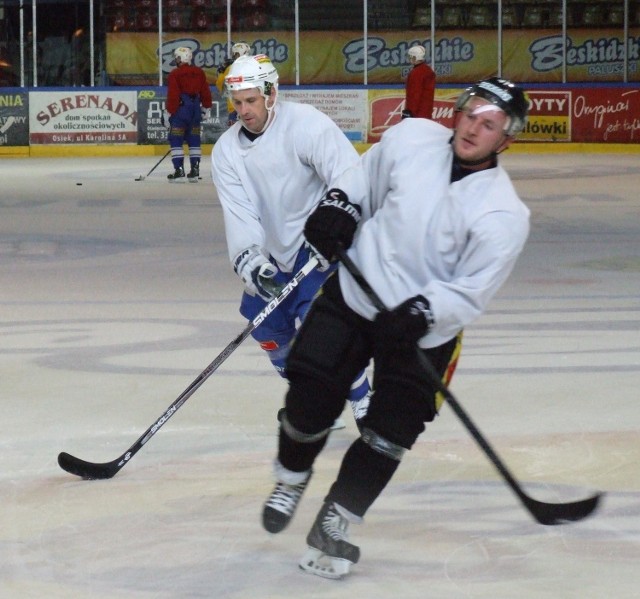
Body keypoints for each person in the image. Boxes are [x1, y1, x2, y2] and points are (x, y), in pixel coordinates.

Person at [261, 77, 531, 579]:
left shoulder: (503, 212)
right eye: (472, 113)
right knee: (308, 394)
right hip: (358, 293)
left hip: (422, 329)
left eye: (490, 123)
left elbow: (472, 290)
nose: (475, 126)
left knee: (390, 432)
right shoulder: (412, 139)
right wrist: (339, 207)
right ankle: (291, 475)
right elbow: (363, 182)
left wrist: (423, 313)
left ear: (506, 139)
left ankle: (337, 521)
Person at [210, 54, 372, 431]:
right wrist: (252, 262)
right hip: (272, 250)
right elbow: (240, 213)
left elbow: (347, 172)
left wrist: (335, 220)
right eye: (238, 103)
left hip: (317, 244)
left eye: (251, 101)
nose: (244, 110)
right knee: (267, 328)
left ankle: (363, 399)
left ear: (271, 94)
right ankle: (313, 399)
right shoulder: (226, 152)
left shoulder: (305, 124)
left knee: (320, 330)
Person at [164, 46, 213, 182]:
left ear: (180, 58)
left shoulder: (175, 74)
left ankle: (179, 171)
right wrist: (206, 108)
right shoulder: (199, 72)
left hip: (181, 111)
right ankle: (195, 171)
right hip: (195, 110)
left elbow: (173, 95)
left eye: (177, 57)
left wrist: (169, 112)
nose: (176, 60)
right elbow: (205, 92)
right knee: (194, 139)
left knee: (176, 139)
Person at [215, 42, 252, 128]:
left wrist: (221, 73)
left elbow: (220, 86)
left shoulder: (230, 68)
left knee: (235, 137)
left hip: (235, 107)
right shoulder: (255, 65)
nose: (234, 56)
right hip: (252, 106)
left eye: (235, 54)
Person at [402, 45, 436, 120]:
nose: (410, 59)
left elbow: (414, 96)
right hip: (427, 113)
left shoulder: (415, 73)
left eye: (411, 57)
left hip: (417, 115)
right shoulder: (428, 70)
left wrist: (409, 112)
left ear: (415, 57)